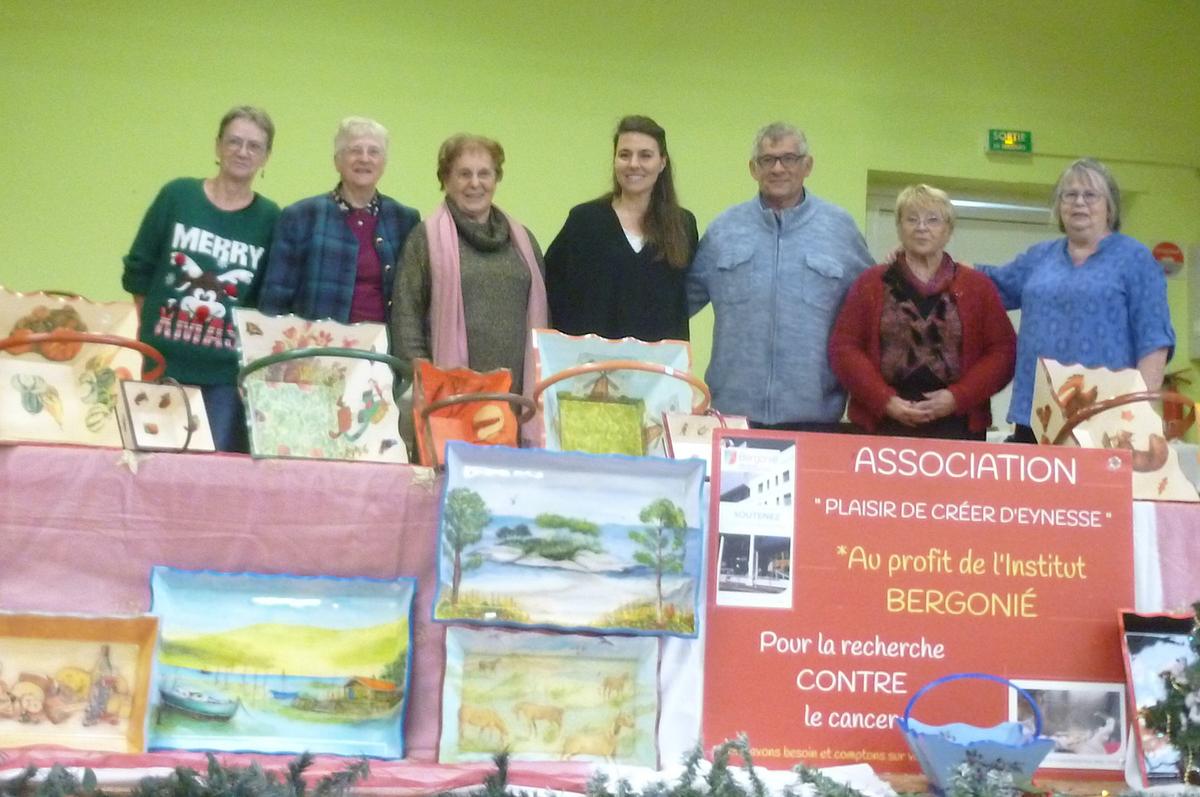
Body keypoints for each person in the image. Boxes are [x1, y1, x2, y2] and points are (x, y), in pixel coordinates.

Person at [687, 122, 873, 431]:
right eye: (767, 160)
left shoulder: (840, 229)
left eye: (789, 158)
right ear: (753, 168)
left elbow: (875, 306)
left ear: (807, 165)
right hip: (731, 416)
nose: (777, 168)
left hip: (816, 418)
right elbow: (675, 303)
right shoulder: (724, 230)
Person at [979, 158, 1175, 442]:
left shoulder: (1135, 259)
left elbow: (1154, 340)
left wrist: (1139, 412)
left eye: (1090, 195)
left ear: (1110, 207)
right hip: (1037, 415)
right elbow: (988, 286)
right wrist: (937, 263)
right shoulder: (1039, 257)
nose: (1079, 202)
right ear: (1059, 207)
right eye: (1069, 195)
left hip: (1108, 416)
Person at [122, 105, 280, 452]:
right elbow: (139, 270)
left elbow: (263, 302)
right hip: (161, 365)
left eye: (254, 146)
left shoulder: (270, 219)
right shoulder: (177, 196)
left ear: (266, 156)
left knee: (207, 480)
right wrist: (153, 330)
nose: (242, 151)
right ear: (218, 146)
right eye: (234, 141)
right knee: (149, 467)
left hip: (224, 380)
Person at [828, 185, 1016, 440]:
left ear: (948, 230)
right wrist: (884, 400)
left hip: (958, 427)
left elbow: (1002, 352)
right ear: (899, 227)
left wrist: (957, 397)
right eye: (912, 219)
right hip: (881, 424)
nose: (921, 227)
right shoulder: (870, 283)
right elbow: (844, 347)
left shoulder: (977, 286)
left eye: (933, 220)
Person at [391, 134, 548, 396]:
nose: (475, 183)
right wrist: (426, 381)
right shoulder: (425, 239)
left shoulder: (524, 241)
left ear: (496, 178)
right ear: (446, 180)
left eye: (484, 174)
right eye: (464, 174)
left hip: (516, 394)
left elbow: (543, 321)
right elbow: (406, 317)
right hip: (448, 398)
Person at [545, 115, 698, 341]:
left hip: (656, 370)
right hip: (593, 368)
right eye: (624, 155)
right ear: (615, 160)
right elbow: (552, 288)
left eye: (645, 155)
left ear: (662, 162)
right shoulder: (584, 221)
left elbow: (686, 297)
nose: (633, 164)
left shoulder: (683, 225)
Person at [257, 117, 420, 324]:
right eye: (355, 150)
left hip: (384, 351)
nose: (364, 158)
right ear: (337, 161)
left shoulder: (405, 221)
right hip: (317, 350)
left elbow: (414, 302)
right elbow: (274, 300)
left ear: (384, 163)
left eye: (374, 151)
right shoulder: (300, 216)